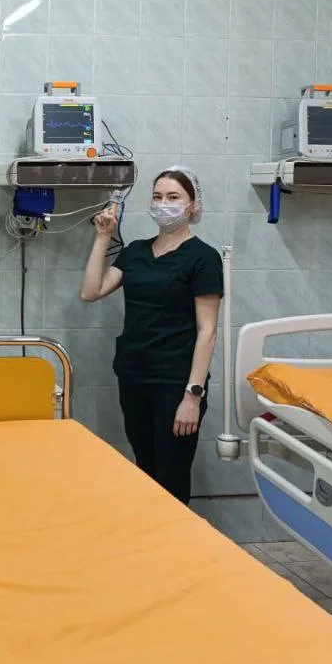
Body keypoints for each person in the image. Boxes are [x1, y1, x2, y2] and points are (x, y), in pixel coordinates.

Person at [80, 166, 223, 504]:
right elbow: (90, 292)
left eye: (173, 197)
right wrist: (102, 238)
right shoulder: (136, 252)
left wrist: (193, 396)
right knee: (145, 471)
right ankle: (151, 536)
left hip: (175, 383)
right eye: (157, 197)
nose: (163, 204)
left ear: (192, 205)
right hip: (134, 377)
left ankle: (177, 538)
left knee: (171, 476)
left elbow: (207, 331)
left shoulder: (203, 258)